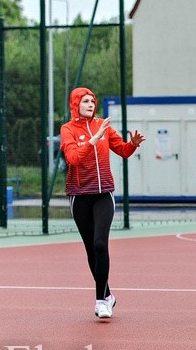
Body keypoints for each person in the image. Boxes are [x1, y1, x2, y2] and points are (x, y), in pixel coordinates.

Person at [60, 87, 145, 320]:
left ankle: (100, 301)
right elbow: (74, 158)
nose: (90, 104)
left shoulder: (103, 126)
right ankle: (107, 294)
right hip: (79, 195)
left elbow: (123, 151)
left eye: (92, 101)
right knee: (90, 249)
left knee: (100, 245)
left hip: (103, 194)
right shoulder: (67, 130)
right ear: (75, 104)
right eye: (85, 101)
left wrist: (133, 144)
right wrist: (93, 140)